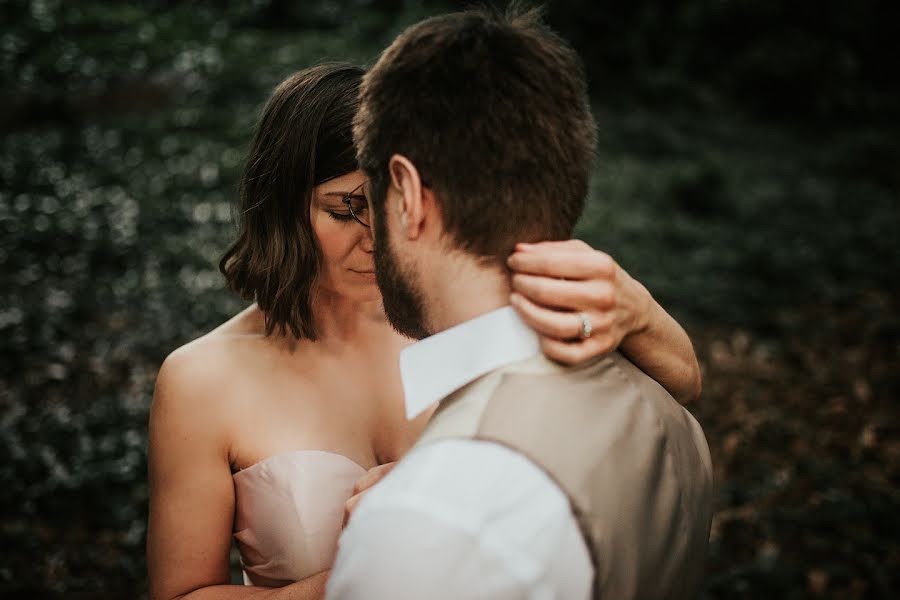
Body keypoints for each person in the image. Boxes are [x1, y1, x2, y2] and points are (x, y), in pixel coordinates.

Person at [146, 62, 702, 600]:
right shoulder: (202, 379)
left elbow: (677, 386)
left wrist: (636, 306)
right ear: (280, 207)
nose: (375, 240)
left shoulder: (454, 317)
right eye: (345, 210)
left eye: (387, 209)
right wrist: (362, 572)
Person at [327, 8, 713, 600]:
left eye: (370, 197)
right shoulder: (671, 415)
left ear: (406, 194)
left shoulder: (422, 522)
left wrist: (412, 517)